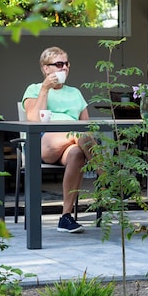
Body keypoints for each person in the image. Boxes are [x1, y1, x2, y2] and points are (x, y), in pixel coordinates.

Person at [22, 46, 95, 234]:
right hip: (42, 141)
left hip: (69, 145)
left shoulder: (75, 92)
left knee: (78, 152)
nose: (64, 68)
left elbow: (87, 126)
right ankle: (109, 179)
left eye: (67, 64)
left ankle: (66, 217)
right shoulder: (34, 89)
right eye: (59, 64)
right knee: (80, 135)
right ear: (46, 68)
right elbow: (34, 119)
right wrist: (45, 89)